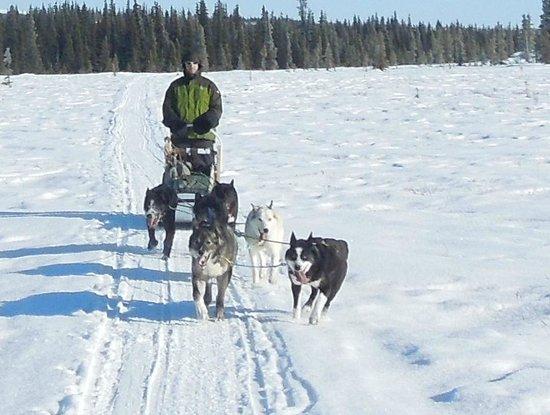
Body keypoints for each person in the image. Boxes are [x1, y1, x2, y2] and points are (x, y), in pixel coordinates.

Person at [162, 50, 222, 175]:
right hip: (181, 138)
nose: (191, 66)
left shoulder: (209, 86)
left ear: (199, 65)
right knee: (177, 175)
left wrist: (207, 121)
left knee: (205, 175)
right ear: (184, 65)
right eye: (188, 63)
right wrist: (175, 123)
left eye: (195, 63)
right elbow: (167, 109)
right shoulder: (175, 87)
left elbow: (216, 109)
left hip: (203, 137)